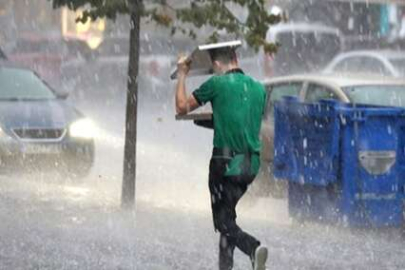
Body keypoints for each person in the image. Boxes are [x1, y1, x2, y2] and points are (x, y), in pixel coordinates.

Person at [175, 45, 268, 270]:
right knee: (229, 221)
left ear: (217, 64)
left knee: (223, 222)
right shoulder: (259, 89)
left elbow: (181, 107)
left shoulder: (216, 84)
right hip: (251, 165)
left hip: (224, 164)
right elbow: (241, 121)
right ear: (236, 58)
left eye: (213, 68)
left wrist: (181, 75)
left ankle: (253, 248)